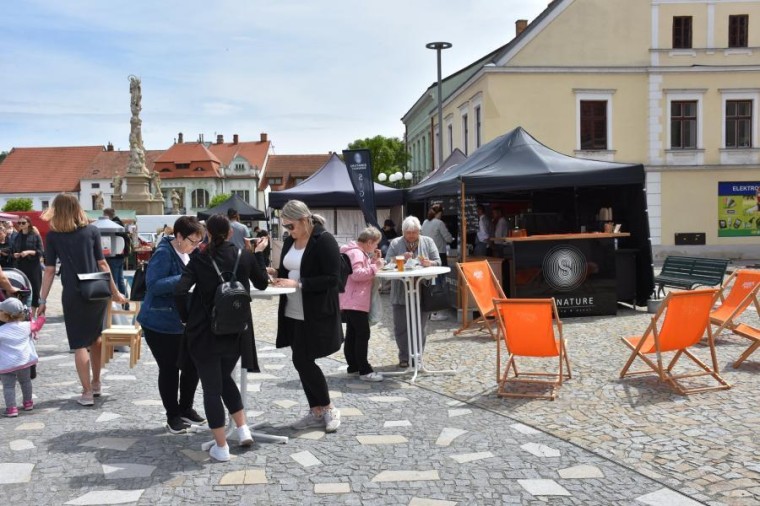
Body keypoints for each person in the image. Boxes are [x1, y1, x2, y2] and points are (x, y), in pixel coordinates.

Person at [174, 214, 270, 462]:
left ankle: (222, 447)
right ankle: (243, 429)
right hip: (236, 331)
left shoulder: (199, 258)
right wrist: (258, 253)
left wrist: (186, 317)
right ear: (230, 233)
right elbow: (261, 283)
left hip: (204, 332)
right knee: (224, 379)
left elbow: (180, 290)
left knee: (212, 389)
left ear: (207, 234)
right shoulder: (244, 255)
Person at [39, 193, 127, 406]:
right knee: (96, 340)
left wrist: (42, 301)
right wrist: (115, 292)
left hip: (72, 292)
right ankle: (96, 384)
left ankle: (86, 393)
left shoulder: (53, 236)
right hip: (96, 290)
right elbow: (103, 264)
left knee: (79, 344)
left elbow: (49, 271)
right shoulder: (92, 231)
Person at [269, 200, 343, 433]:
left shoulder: (324, 240)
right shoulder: (291, 240)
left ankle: (328, 408)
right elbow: (288, 270)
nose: (288, 231)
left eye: (290, 226)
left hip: (316, 310)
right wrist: (275, 273)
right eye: (285, 227)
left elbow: (334, 278)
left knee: (304, 359)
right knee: (300, 359)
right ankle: (317, 410)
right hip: (292, 309)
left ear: (303, 220)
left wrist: (300, 283)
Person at [138, 216, 205, 434]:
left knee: (192, 366)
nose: (194, 247)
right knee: (169, 369)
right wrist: (185, 278)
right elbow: (154, 285)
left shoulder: (188, 252)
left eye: (198, 243)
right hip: (159, 322)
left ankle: (186, 408)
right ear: (178, 236)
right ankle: (172, 416)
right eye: (192, 242)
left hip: (182, 321)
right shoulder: (164, 253)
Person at [384, 216, 441, 368]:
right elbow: (387, 261)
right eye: (408, 233)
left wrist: (429, 263)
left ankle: (418, 356)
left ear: (419, 231)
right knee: (401, 326)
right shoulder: (396, 243)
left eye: (414, 232)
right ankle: (404, 357)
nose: (411, 236)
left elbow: (438, 261)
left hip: (422, 291)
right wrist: (399, 258)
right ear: (403, 232)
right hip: (401, 291)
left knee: (420, 327)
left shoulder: (427, 241)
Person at [339, 226, 385, 382]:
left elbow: (357, 270)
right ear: (370, 241)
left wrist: (371, 260)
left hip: (350, 299)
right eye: (376, 244)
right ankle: (364, 370)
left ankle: (353, 367)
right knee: (362, 334)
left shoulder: (353, 251)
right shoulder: (356, 253)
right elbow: (358, 274)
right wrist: (376, 266)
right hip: (355, 299)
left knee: (353, 334)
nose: (376, 247)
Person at [0, 298, 44, 417]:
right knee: (25, 382)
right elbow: (38, 325)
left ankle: (12, 409)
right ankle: (28, 403)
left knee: (8, 386)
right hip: (24, 361)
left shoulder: (1, 331)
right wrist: (41, 316)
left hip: (6, 364)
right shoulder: (27, 326)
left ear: (4, 315)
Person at [421, 204, 454, 321]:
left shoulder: (425, 222)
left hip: (426, 256)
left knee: (430, 283)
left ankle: (431, 310)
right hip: (439, 255)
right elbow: (448, 238)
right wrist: (453, 238)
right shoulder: (439, 223)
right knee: (439, 282)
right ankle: (437, 312)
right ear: (439, 213)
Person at [11, 217, 44, 317]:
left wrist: (29, 252)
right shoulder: (17, 237)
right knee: (21, 289)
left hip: (33, 267)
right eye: (19, 223)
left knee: (35, 288)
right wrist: (15, 254)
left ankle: (32, 314)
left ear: (29, 223)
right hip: (20, 266)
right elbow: (12, 250)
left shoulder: (35, 236)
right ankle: (22, 312)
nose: (20, 224)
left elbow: (41, 252)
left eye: (23, 223)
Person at [102, 208, 130, 299]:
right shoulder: (119, 224)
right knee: (120, 280)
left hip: (114, 256)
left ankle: (116, 304)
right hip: (120, 256)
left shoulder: (112, 225)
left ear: (107, 215)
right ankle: (125, 303)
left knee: (114, 281)